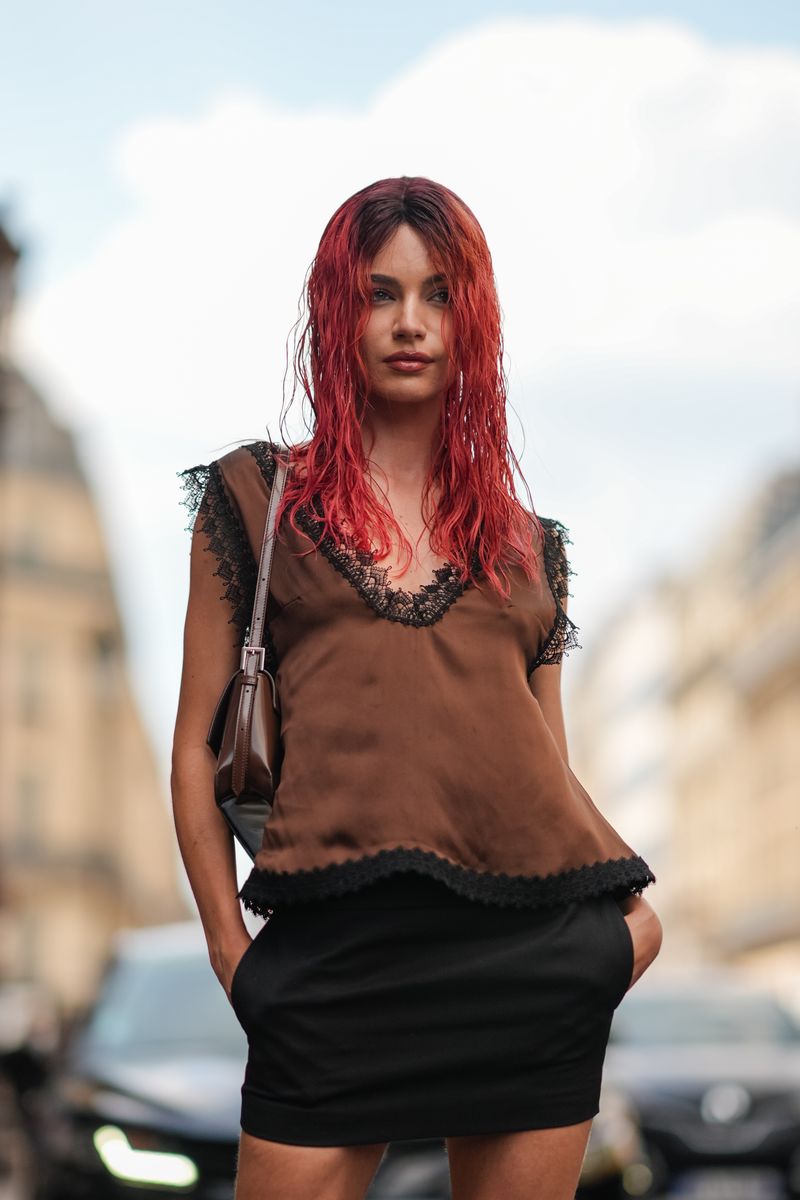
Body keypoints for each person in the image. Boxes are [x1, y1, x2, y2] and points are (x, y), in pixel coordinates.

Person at [171, 175, 663, 1200]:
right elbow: (192, 748)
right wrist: (231, 952)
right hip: (329, 967)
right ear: (336, 313)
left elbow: (544, 772)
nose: (409, 323)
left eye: (439, 295)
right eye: (379, 293)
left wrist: (623, 934)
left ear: (471, 321)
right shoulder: (256, 500)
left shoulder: (531, 549)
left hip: (524, 968)